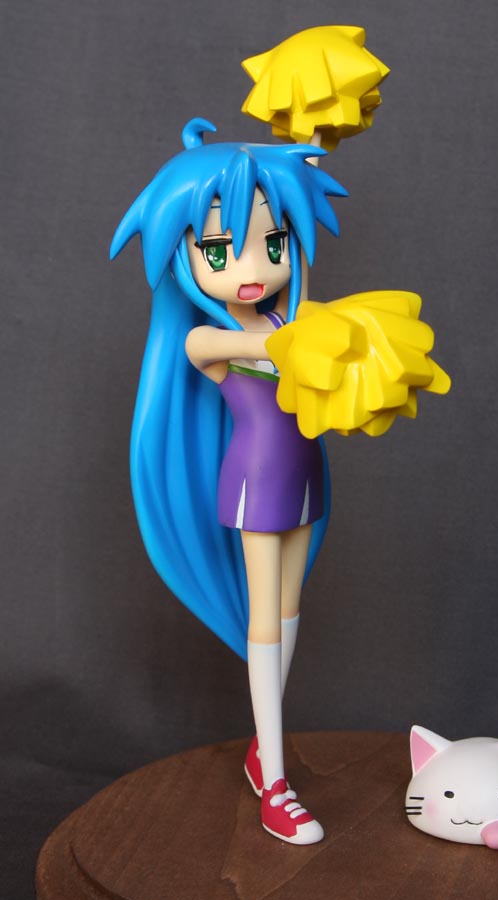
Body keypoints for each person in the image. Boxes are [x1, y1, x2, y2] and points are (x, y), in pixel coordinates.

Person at [111, 118, 348, 844]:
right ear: (183, 257)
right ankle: (275, 782)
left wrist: (306, 147)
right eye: (219, 249)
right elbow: (270, 348)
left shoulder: (288, 314)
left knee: (289, 608)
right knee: (263, 621)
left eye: (271, 243)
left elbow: (303, 336)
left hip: (305, 474)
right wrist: (317, 338)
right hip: (256, 483)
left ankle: (260, 753)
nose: (251, 265)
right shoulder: (208, 339)